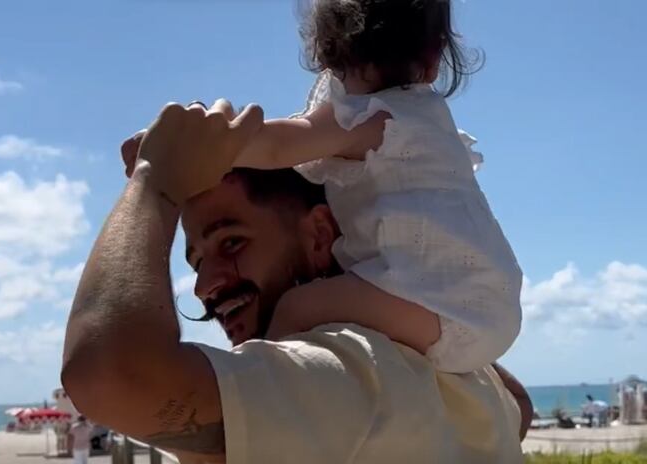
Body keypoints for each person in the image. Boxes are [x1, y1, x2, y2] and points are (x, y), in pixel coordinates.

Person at [62, 99, 531, 463]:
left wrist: (155, 182)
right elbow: (520, 405)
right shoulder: (469, 375)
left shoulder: (347, 375)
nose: (205, 285)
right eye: (196, 261)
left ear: (320, 235)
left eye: (232, 243)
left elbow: (109, 375)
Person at [217, 0, 522, 374]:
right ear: (435, 55)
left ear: (328, 52)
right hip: (492, 305)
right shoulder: (427, 119)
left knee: (296, 308)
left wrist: (201, 142)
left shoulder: (368, 118)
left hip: (445, 309)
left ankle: (267, 392)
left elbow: (277, 146)